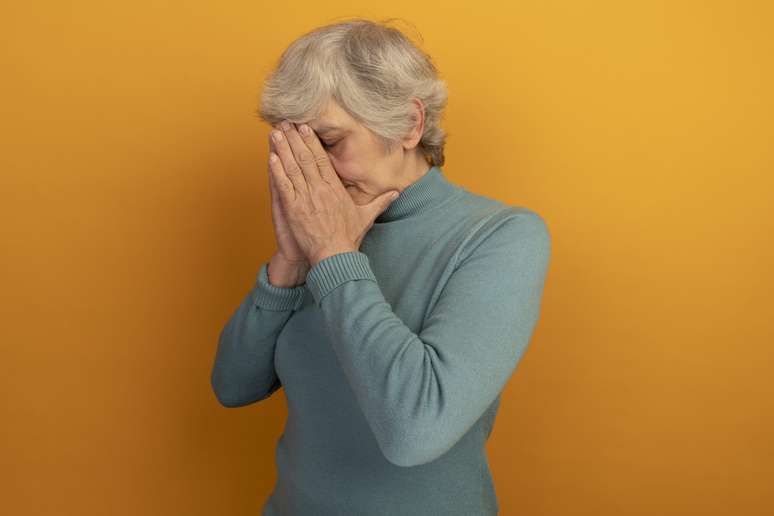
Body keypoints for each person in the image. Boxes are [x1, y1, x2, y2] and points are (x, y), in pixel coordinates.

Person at [210, 17, 551, 516]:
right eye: (297, 148)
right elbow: (233, 387)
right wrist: (289, 263)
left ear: (410, 124)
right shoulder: (319, 235)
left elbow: (417, 431)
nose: (315, 173)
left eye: (327, 143)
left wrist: (333, 254)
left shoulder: (500, 236)